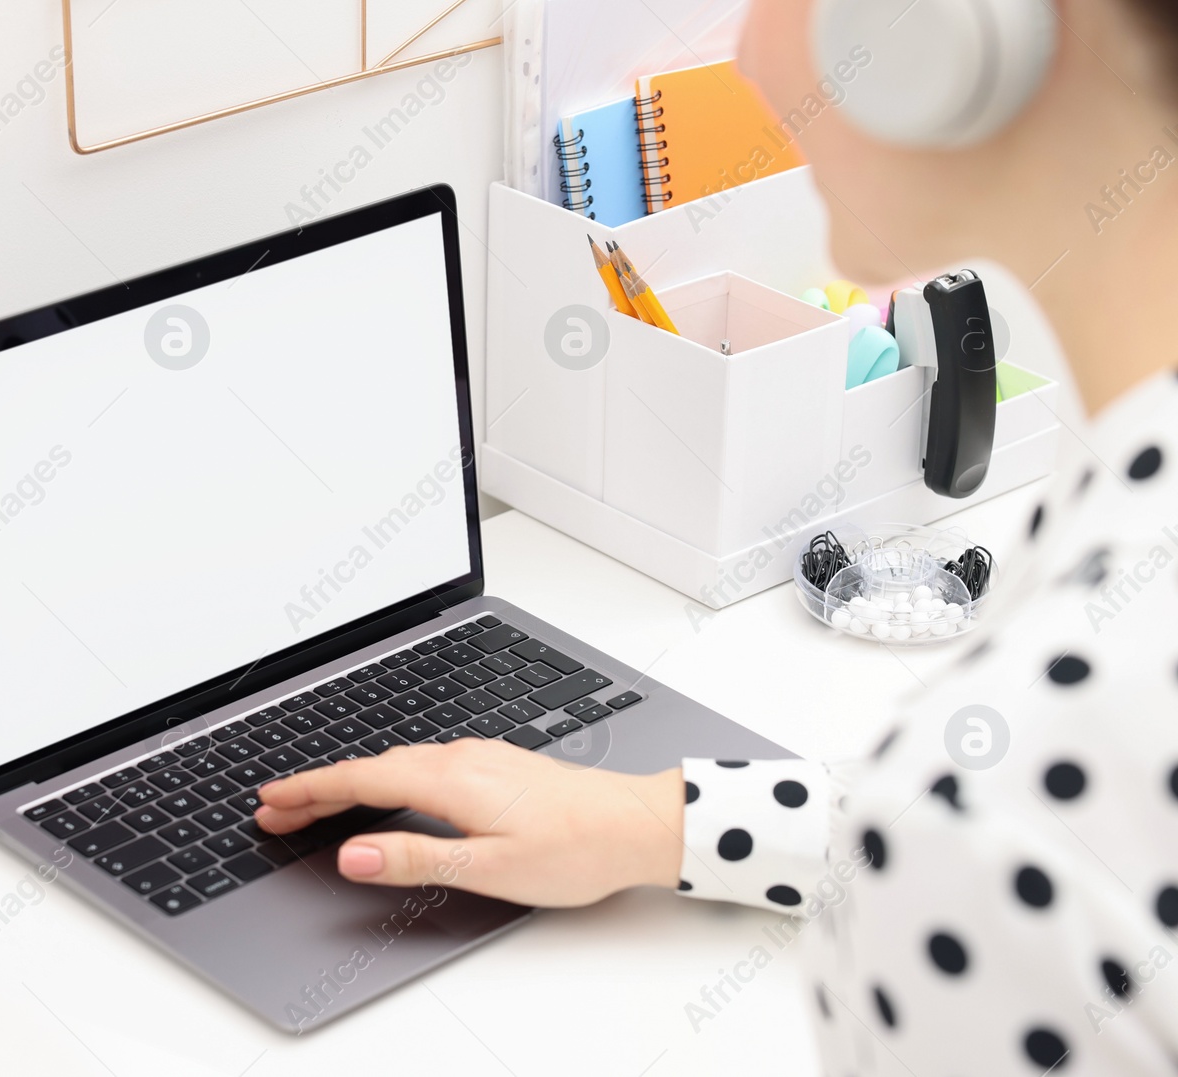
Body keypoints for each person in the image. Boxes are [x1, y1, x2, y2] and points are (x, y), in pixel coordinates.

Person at [256, 0, 1178, 1071]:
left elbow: (1011, 852)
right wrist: (664, 823)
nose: (744, 56)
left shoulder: (974, 842)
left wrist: (916, 844)